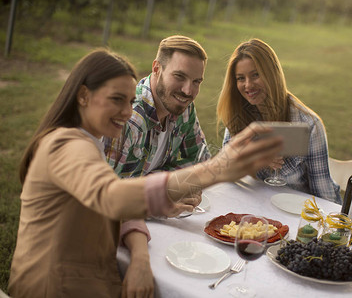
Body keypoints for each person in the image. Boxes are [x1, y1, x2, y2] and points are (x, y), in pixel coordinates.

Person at [8, 48, 283, 298]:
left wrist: (139, 258)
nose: (128, 112)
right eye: (117, 100)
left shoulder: (90, 142)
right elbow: (113, 196)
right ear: (83, 95)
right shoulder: (65, 145)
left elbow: (122, 200)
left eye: (129, 101)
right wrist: (216, 170)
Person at [216, 38, 341, 203]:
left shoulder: (309, 124)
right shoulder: (239, 114)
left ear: (272, 73)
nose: (248, 85)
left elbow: (325, 196)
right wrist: (251, 159)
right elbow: (222, 172)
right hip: (251, 207)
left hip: (293, 212)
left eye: (256, 75)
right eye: (240, 78)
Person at [104, 35, 211, 178]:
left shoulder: (184, 108)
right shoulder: (127, 120)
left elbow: (201, 160)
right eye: (179, 76)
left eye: (196, 82)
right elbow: (101, 193)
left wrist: (161, 181)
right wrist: (165, 189)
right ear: (156, 68)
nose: (188, 91)